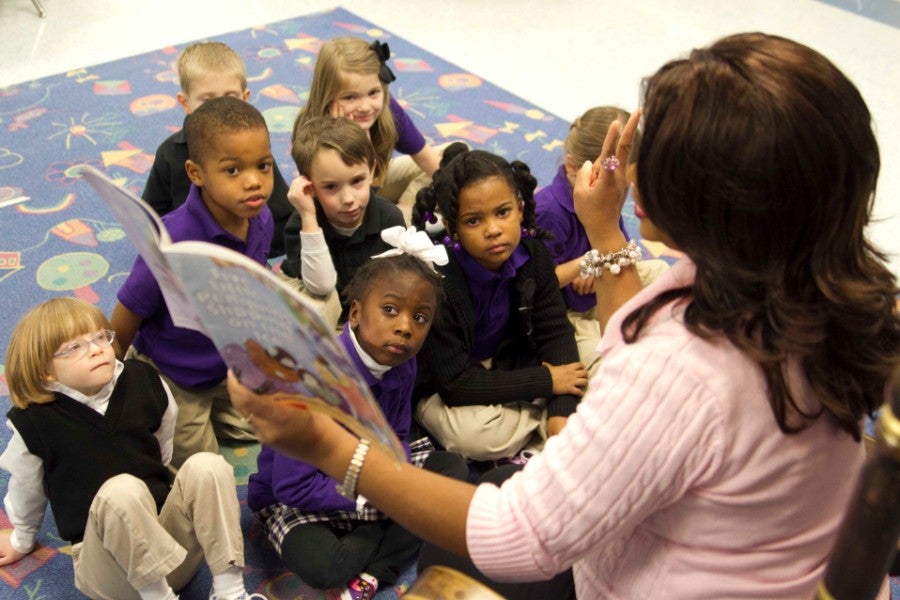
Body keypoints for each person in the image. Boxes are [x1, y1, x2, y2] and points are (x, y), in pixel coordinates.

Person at [226, 32, 899, 598]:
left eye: (649, 141)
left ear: (698, 194)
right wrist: (603, 231)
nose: (629, 154)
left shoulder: (683, 375)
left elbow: (519, 539)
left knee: (457, 557)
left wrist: (329, 447)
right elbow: (641, 333)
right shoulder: (810, 280)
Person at [247, 230, 467, 600]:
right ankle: (386, 533)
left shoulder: (401, 361)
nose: (405, 327)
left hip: (367, 473)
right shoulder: (311, 376)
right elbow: (292, 485)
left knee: (454, 471)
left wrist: (390, 479)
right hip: (297, 495)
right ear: (355, 312)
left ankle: (376, 571)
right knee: (326, 566)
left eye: (420, 318)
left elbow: (395, 436)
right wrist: (383, 499)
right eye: (391, 310)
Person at [0, 298, 266, 600]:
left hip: (175, 552)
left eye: (100, 336)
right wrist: (22, 539)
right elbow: (26, 490)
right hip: (113, 574)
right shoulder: (33, 423)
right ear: (44, 370)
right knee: (122, 490)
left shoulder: (143, 378)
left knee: (208, 465)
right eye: (74, 347)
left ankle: (230, 590)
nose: (97, 348)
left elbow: (163, 447)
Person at [111, 95, 275, 469]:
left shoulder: (261, 219)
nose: (254, 182)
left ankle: (219, 413)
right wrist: (110, 389)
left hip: (225, 365)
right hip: (175, 374)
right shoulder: (171, 241)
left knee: (279, 420)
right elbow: (127, 313)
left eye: (263, 166)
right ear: (196, 173)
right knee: (203, 469)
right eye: (233, 170)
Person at [410, 143, 588, 462]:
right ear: (452, 227)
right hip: (450, 384)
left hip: (511, 361)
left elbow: (556, 332)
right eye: (474, 221)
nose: (493, 230)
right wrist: (547, 381)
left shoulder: (532, 255)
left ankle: (545, 420)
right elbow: (455, 383)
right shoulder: (435, 280)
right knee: (479, 438)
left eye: (502, 213)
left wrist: (561, 413)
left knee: (599, 359)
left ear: (520, 209)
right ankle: (539, 418)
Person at [535, 106, 668, 373]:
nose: (621, 186)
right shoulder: (547, 211)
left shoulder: (610, 190)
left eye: (627, 176)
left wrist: (599, 270)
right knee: (608, 362)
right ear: (573, 167)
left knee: (662, 272)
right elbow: (537, 284)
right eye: (611, 174)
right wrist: (588, 263)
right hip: (564, 313)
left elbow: (621, 246)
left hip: (596, 290)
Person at [141, 41, 292, 258]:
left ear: (245, 99)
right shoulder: (169, 153)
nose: (219, 110)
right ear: (185, 103)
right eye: (207, 100)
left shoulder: (254, 152)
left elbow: (283, 216)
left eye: (229, 98)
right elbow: (151, 216)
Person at [287, 37, 442, 217]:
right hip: (345, 212)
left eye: (373, 93)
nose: (366, 107)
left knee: (451, 155)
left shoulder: (386, 108)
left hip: (379, 182)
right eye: (350, 97)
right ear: (327, 96)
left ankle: (405, 209)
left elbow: (425, 156)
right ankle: (402, 218)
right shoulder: (308, 129)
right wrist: (350, 136)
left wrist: (458, 201)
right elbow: (346, 197)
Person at [279, 115, 405, 325]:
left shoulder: (389, 218)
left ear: (372, 170)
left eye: (357, 181)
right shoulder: (300, 224)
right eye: (330, 187)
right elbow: (320, 286)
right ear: (309, 186)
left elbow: (394, 285)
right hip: (321, 305)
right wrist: (309, 218)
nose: (348, 199)